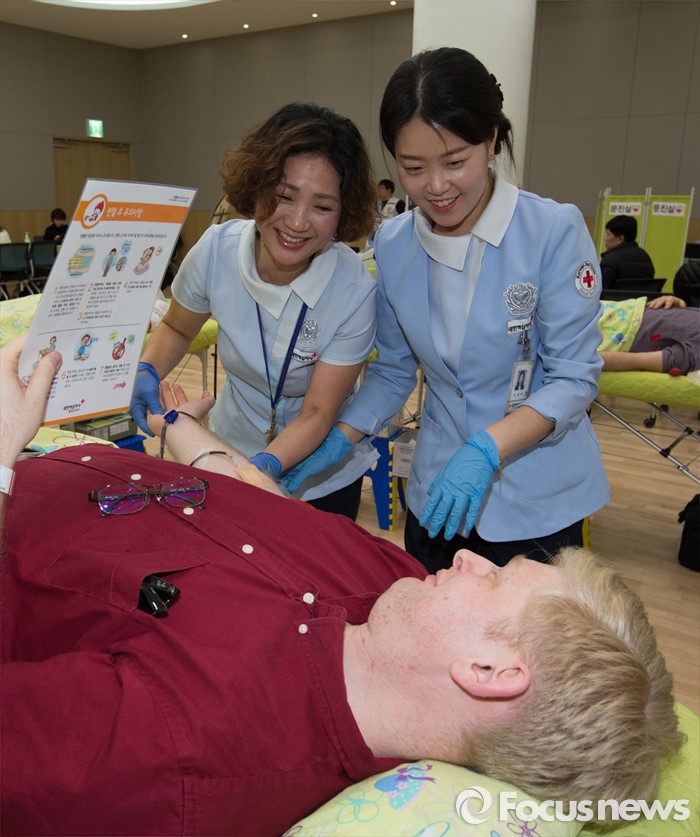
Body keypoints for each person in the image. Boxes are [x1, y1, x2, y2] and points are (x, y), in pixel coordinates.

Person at [0, 337, 684, 835]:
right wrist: (179, 427)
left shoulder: (181, 754)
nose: (470, 557)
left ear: (488, 671)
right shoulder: (402, 596)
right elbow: (258, 501)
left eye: (497, 576)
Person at [283, 47, 610, 571]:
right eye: (413, 168)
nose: (435, 187)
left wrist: (487, 448)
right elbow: (393, 371)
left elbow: (573, 378)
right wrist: (341, 436)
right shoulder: (394, 244)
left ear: (492, 140)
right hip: (438, 497)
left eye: (455, 162)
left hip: (536, 502)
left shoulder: (551, 232)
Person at [130, 102, 378, 519]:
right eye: (284, 197)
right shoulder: (216, 251)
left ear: (343, 213)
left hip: (320, 476)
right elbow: (177, 328)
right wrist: (146, 370)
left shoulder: (352, 289)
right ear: (257, 185)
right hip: (228, 450)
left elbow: (318, 411)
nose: (297, 222)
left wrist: (261, 468)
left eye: (322, 207)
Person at [598, 294, 699, 373]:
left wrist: (592, 359)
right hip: (622, 309)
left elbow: (635, 361)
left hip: (616, 335)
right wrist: (670, 302)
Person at [600, 214, 655, 289]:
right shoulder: (645, 257)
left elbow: (600, 290)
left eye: (608, 234)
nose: (605, 238)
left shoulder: (610, 260)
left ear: (620, 239)